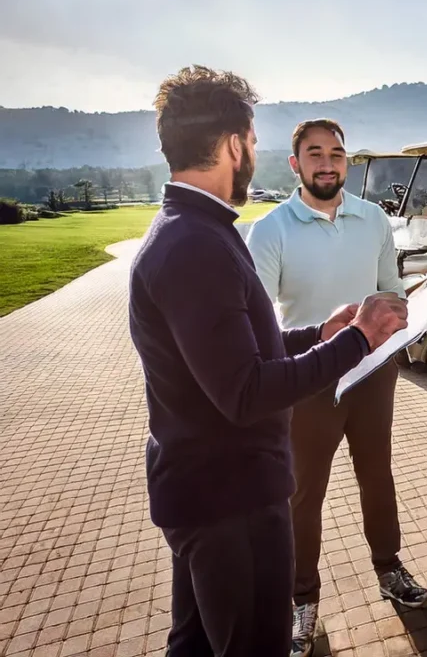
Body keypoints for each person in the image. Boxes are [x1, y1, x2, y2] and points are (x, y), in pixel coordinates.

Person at [128, 67, 408, 657]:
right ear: (234, 144)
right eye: (253, 140)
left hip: (212, 494)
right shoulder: (196, 245)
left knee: (198, 644)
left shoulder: (197, 229)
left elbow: (239, 343)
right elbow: (245, 388)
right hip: (230, 503)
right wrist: (354, 341)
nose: (253, 151)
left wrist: (317, 332)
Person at [246, 118, 427, 657]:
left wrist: (401, 316)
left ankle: (389, 568)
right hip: (308, 380)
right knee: (303, 494)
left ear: (346, 161)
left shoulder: (373, 218)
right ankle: (302, 598)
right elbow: (258, 325)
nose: (327, 163)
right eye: (314, 154)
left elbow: (392, 291)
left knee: (378, 475)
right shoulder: (272, 229)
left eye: (336, 154)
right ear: (295, 163)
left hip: (373, 374)